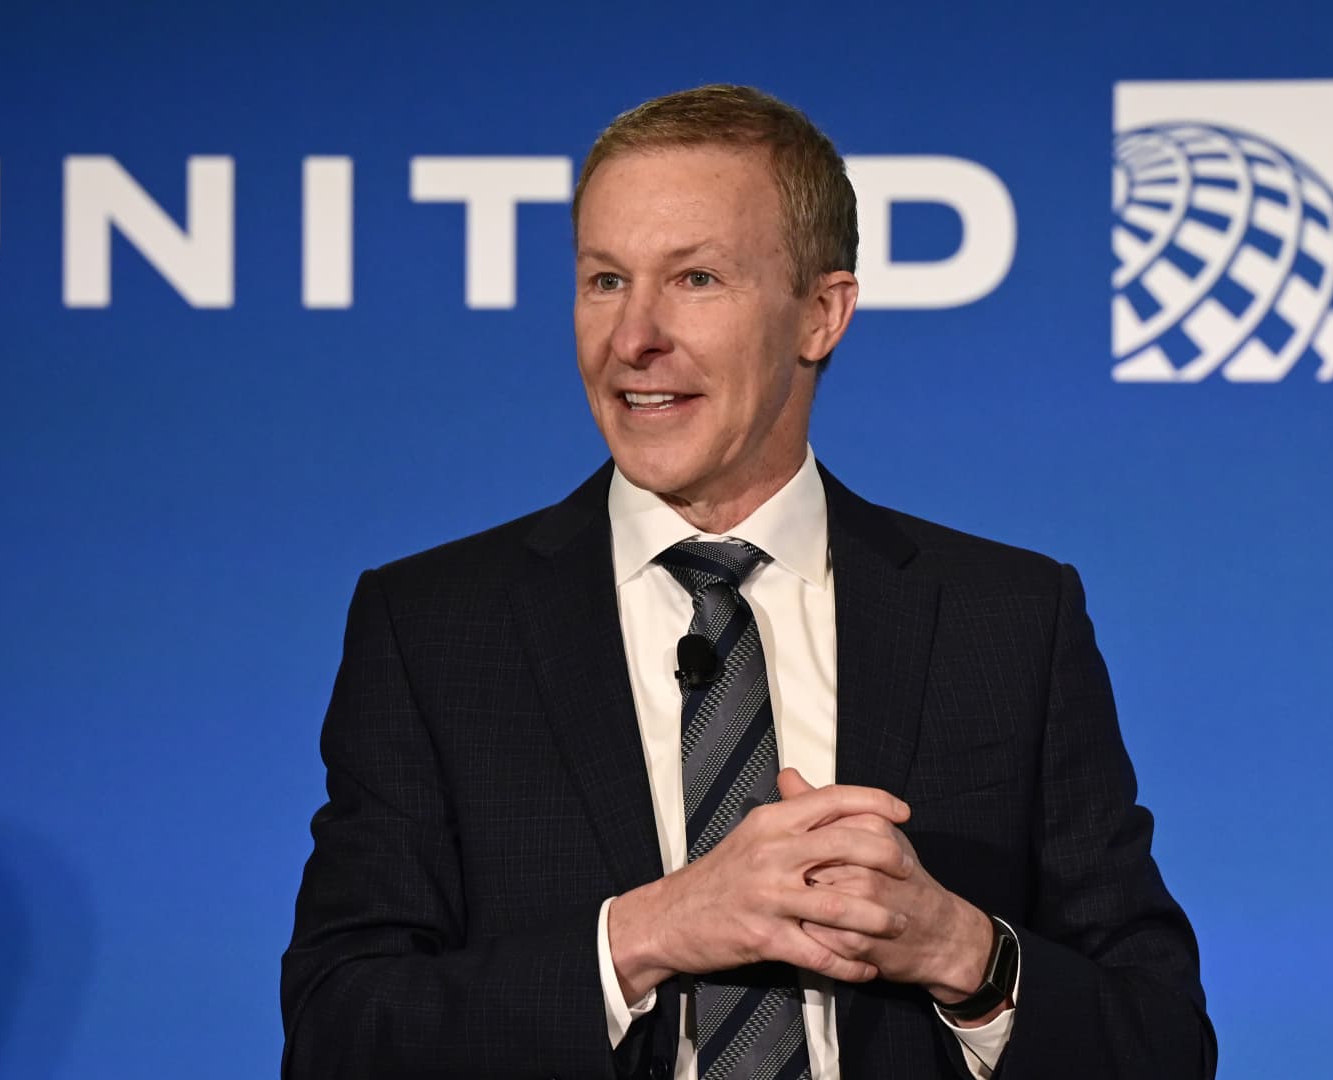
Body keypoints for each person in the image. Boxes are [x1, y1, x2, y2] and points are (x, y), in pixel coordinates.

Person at [282, 84, 1215, 1080]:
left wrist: (965, 954)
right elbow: (341, 1034)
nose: (633, 337)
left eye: (695, 278)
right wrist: (647, 933)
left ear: (821, 313)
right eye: (604, 280)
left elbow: (1160, 1042)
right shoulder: (435, 631)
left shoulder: (1008, 621)